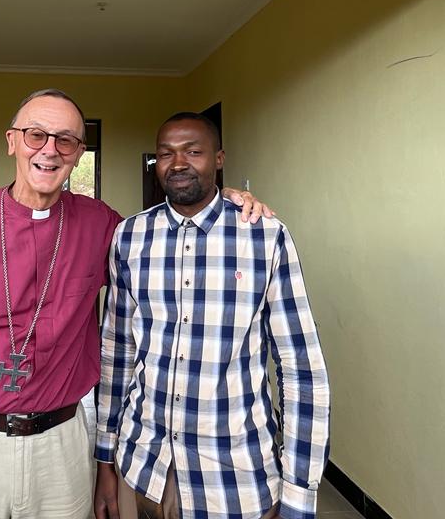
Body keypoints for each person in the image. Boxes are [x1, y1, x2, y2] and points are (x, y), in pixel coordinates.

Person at [0, 90, 272, 519]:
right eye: (35, 135)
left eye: (66, 140)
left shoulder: (101, 224)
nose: (49, 150)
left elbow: (169, 240)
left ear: (79, 154)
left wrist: (223, 198)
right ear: (12, 141)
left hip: (61, 446)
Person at [94, 112, 330, 519]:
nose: (179, 163)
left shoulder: (264, 236)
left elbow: (300, 368)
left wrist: (299, 493)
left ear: (218, 159)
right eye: (166, 154)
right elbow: (117, 351)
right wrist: (104, 457)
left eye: (193, 151)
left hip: (235, 478)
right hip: (143, 466)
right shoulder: (130, 236)